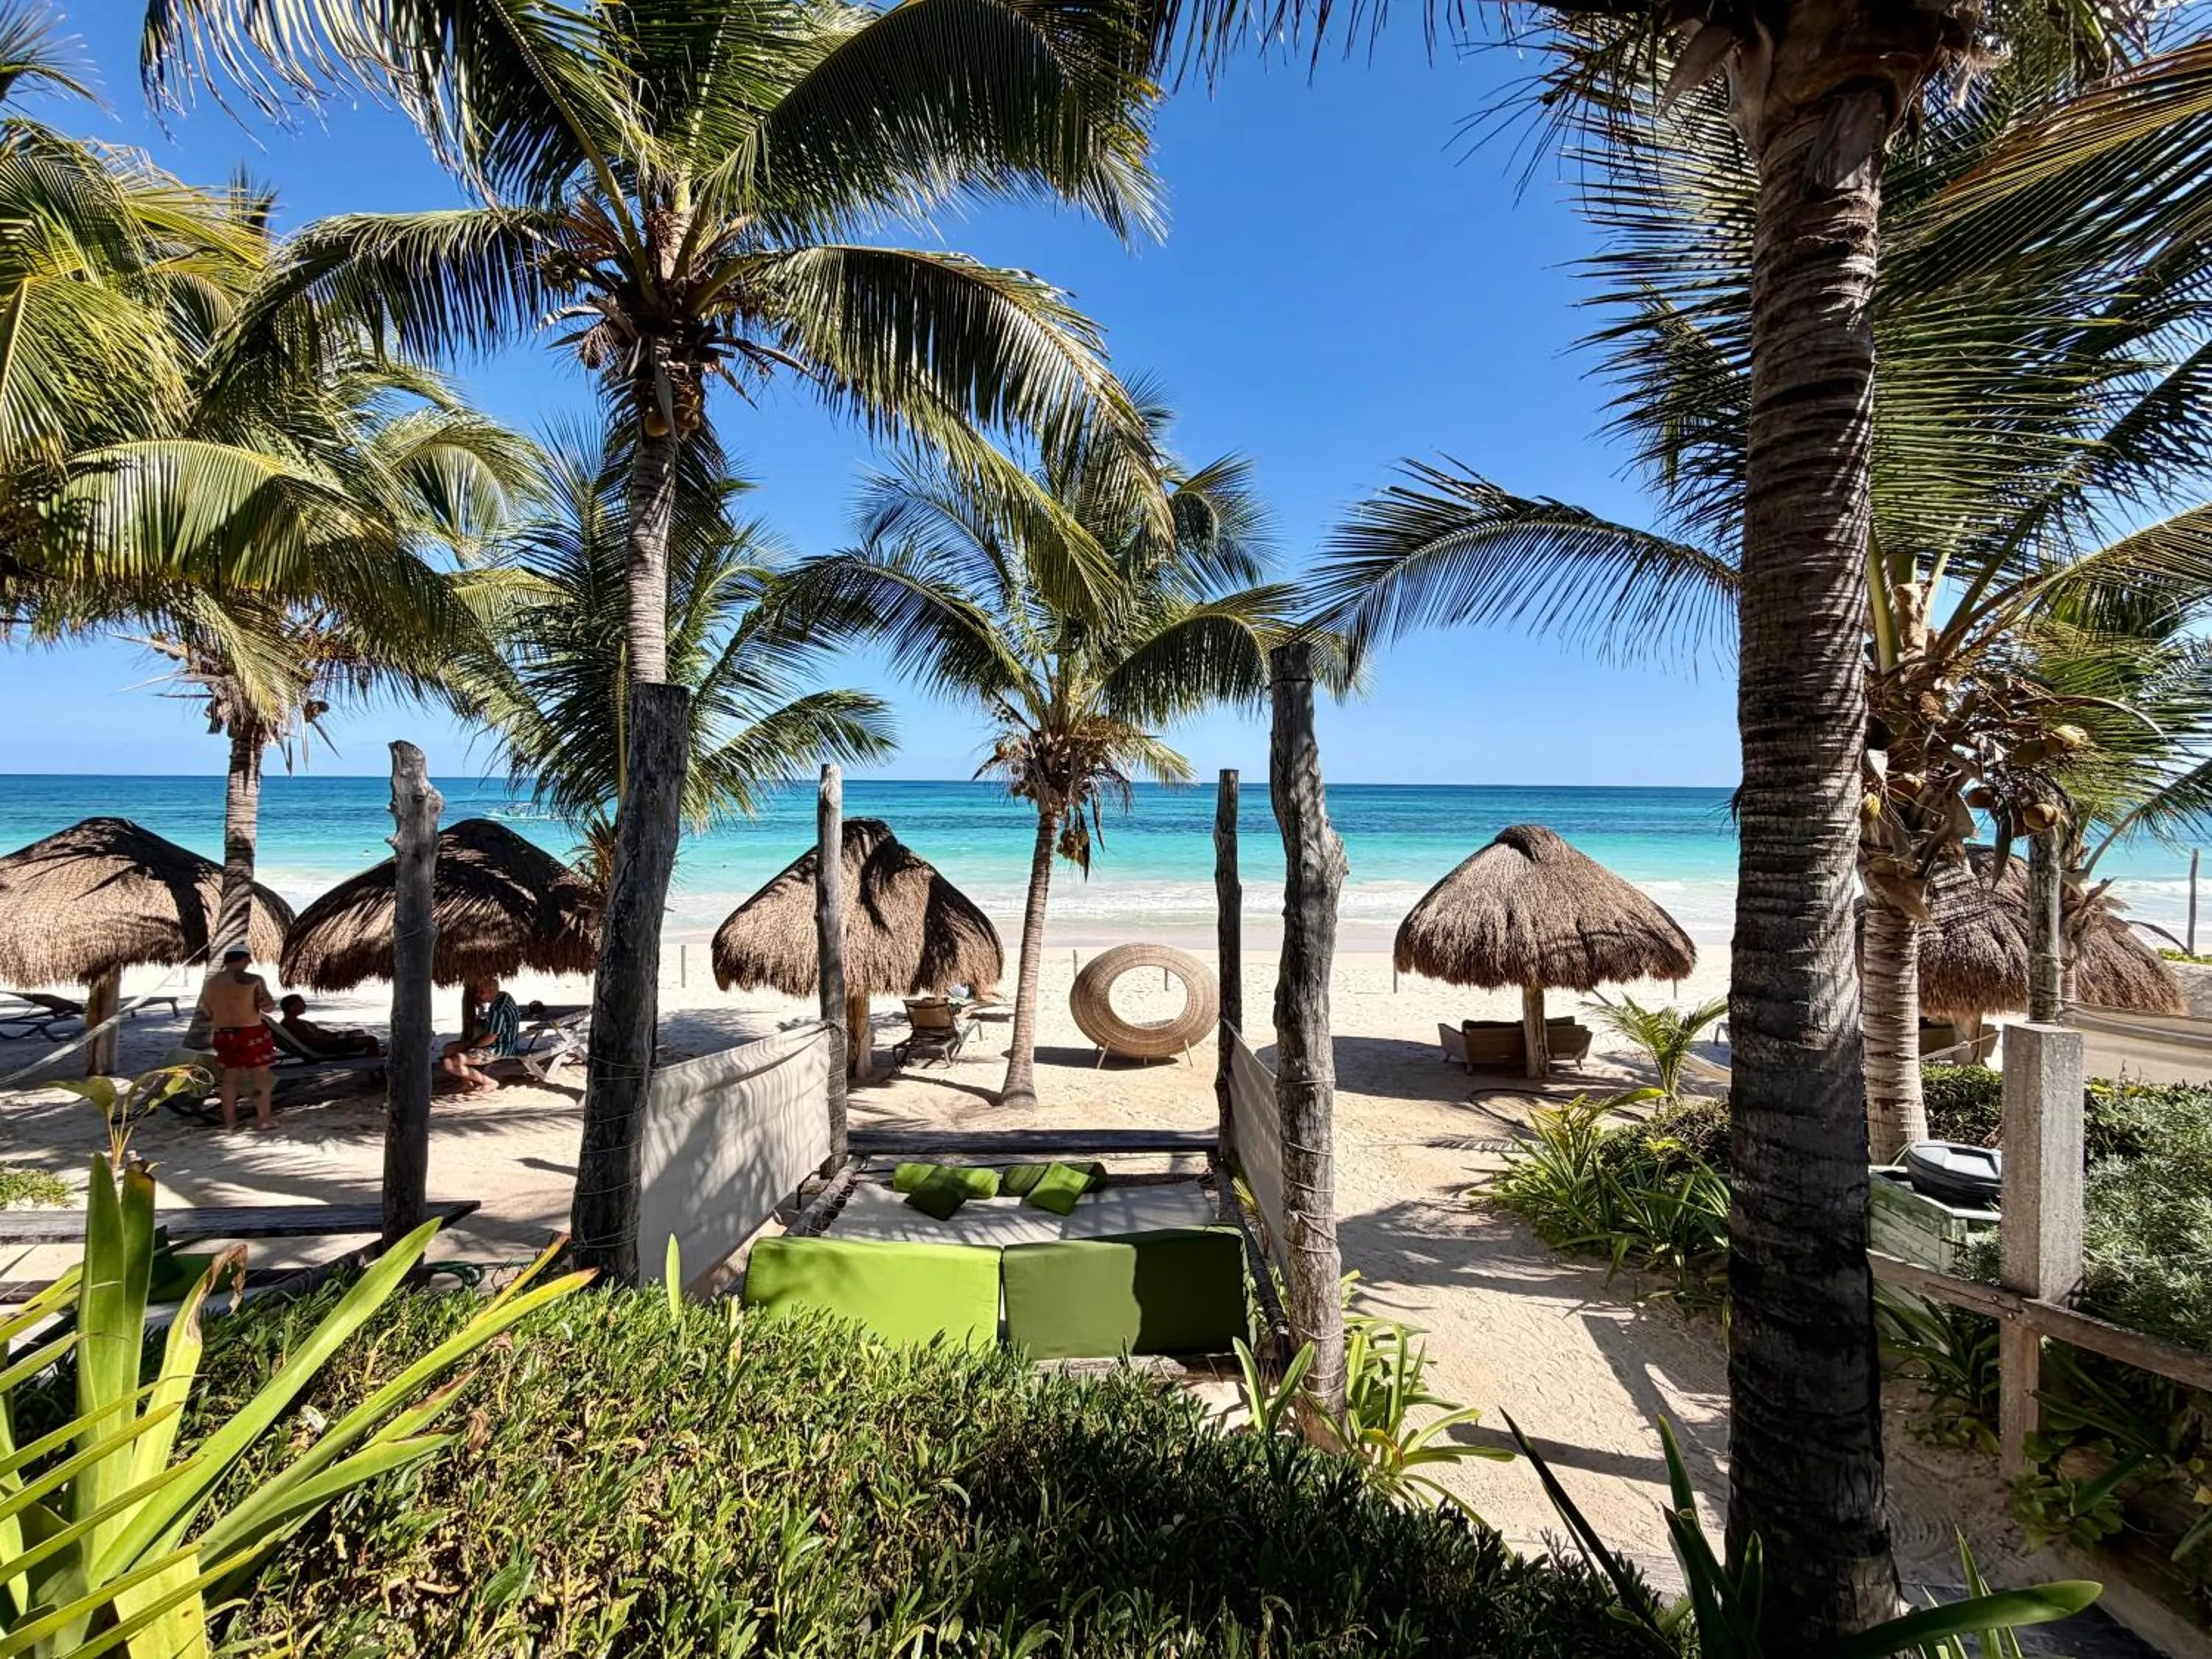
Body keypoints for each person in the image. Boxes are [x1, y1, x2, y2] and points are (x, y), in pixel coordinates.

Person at [195, 946, 276, 1130]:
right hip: (251, 1032)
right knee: (260, 1077)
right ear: (245, 959)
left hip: (223, 1033)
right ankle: (264, 1120)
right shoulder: (253, 980)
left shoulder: (211, 983)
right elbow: (268, 1007)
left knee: (229, 1079)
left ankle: (230, 1122)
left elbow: (207, 1010)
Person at [441, 975, 521, 1094]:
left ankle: (489, 1082)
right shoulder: (504, 996)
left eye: (481, 992)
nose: (478, 994)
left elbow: (490, 1038)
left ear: (492, 991)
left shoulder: (497, 1010)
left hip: (500, 1048)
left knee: (450, 1063)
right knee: (449, 1049)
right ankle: (467, 1083)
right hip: (501, 1042)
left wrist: (471, 1047)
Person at [276, 994, 382, 1058]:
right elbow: (314, 1042)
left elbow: (320, 1034)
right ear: (291, 1007)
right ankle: (375, 1068)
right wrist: (339, 1039)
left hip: (328, 1044)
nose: (305, 1005)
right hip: (327, 1047)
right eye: (301, 1003)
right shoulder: (293, 1024)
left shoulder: (296, 1022)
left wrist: (342, 1035)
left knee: (360, 1033)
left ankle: (371, 1058)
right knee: (371, 1040)